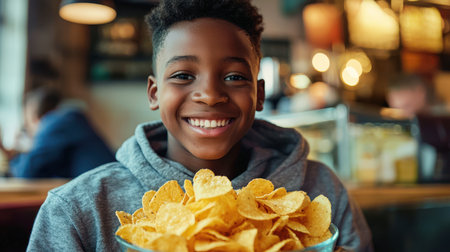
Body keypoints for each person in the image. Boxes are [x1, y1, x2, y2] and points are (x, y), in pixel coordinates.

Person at [27, 0, 373, 251]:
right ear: (154, 93)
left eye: (235, 76)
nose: (209, 94)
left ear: (260, 94)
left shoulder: (322, 190)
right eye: (182, 75)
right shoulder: (78, 210)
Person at [0, 86, 115, 178]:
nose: (27, 129)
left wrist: (11, 155)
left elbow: (27, 172)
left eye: (27, 122)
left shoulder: (55, 123)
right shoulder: (69, 121)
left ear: (34, 117)